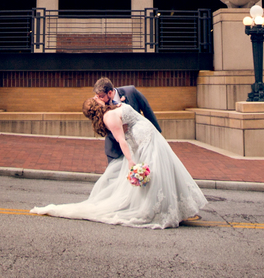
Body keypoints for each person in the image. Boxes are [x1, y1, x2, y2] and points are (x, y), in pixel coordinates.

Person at [30, 78, 207, 229]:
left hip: (149, 137)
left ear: (109, 92)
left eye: (100, 96)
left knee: (164, 171)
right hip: (136, 143)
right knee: (152, 175)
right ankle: (156, 209)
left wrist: (157, 132)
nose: (98, 98)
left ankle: (171, 207)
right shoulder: (108, 115)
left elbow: (147, 109)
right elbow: (120, 138)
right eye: (97, 98)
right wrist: (130, 162)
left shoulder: (124, 96)